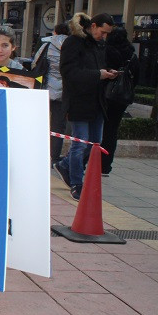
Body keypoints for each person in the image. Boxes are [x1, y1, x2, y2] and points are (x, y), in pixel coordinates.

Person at [54, 13, 117, 200]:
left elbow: (97, 67)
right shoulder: (74, 42)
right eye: (102, 32)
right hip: (78, 101)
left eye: (107, 34)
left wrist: (107, 74)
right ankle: (76, 183)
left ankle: (65, 165)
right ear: (94, 25)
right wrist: (98, 74)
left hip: (96, 101)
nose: (104, 36)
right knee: (80, 143)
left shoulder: (98, 44)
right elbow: (69, 72)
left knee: (95, 142)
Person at [101, 27, 139, 175]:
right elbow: (136, 78)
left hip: (106, 95)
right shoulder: (132, 55)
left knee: (101, 129)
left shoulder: (107, 51)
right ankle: (106, 165)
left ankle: (94, 162)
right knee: (112, 130)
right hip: (122, 98)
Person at [32, 23, 69, 164]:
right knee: (58, 126)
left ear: (54, 31)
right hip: (63, 91)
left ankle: (39, 151)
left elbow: (36, 63)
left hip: (45, 89)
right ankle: (54, 156)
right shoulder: (72, 46)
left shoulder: (46, 45)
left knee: (40, 122)